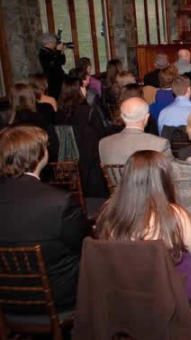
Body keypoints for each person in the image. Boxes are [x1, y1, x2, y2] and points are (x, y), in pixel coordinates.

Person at [94, 150, 191, 300]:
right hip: (167, 289)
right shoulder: (175, 214)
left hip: (123, 283)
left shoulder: (108, 208)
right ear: (163, 179)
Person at [0, 126, 90, 313]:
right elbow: (86, 245)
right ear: (39, 155)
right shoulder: (59, 202)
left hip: (6, 299)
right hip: (60, 297)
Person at [56, 77, 111, 197]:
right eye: (85, 87)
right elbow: (102, 137)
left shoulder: (58, 114)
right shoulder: (89, 112)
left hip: (68, 168)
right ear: (80, 89)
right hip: (92, 168)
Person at [100, 97, 172, 165]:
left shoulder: (103, 144)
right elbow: (170, 171)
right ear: (146, 118)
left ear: (122, 117)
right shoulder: (160, 144)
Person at [8, 83, 59, 162]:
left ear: (11, 100)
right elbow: (54, 148)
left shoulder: (8, 128)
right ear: (31, 97)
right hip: (44, 166)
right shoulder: (42, 117)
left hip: (19, 168)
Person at [38, 32, 66, 98]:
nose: (55, 44)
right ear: (49, 42)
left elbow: (62, 62)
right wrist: (58, 51)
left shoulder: (51, 51)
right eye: (54, 42)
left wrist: (62, 52)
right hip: (53, 81)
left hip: (58, 79)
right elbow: (54, 65)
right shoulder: (43, 53)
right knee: (56, 97)